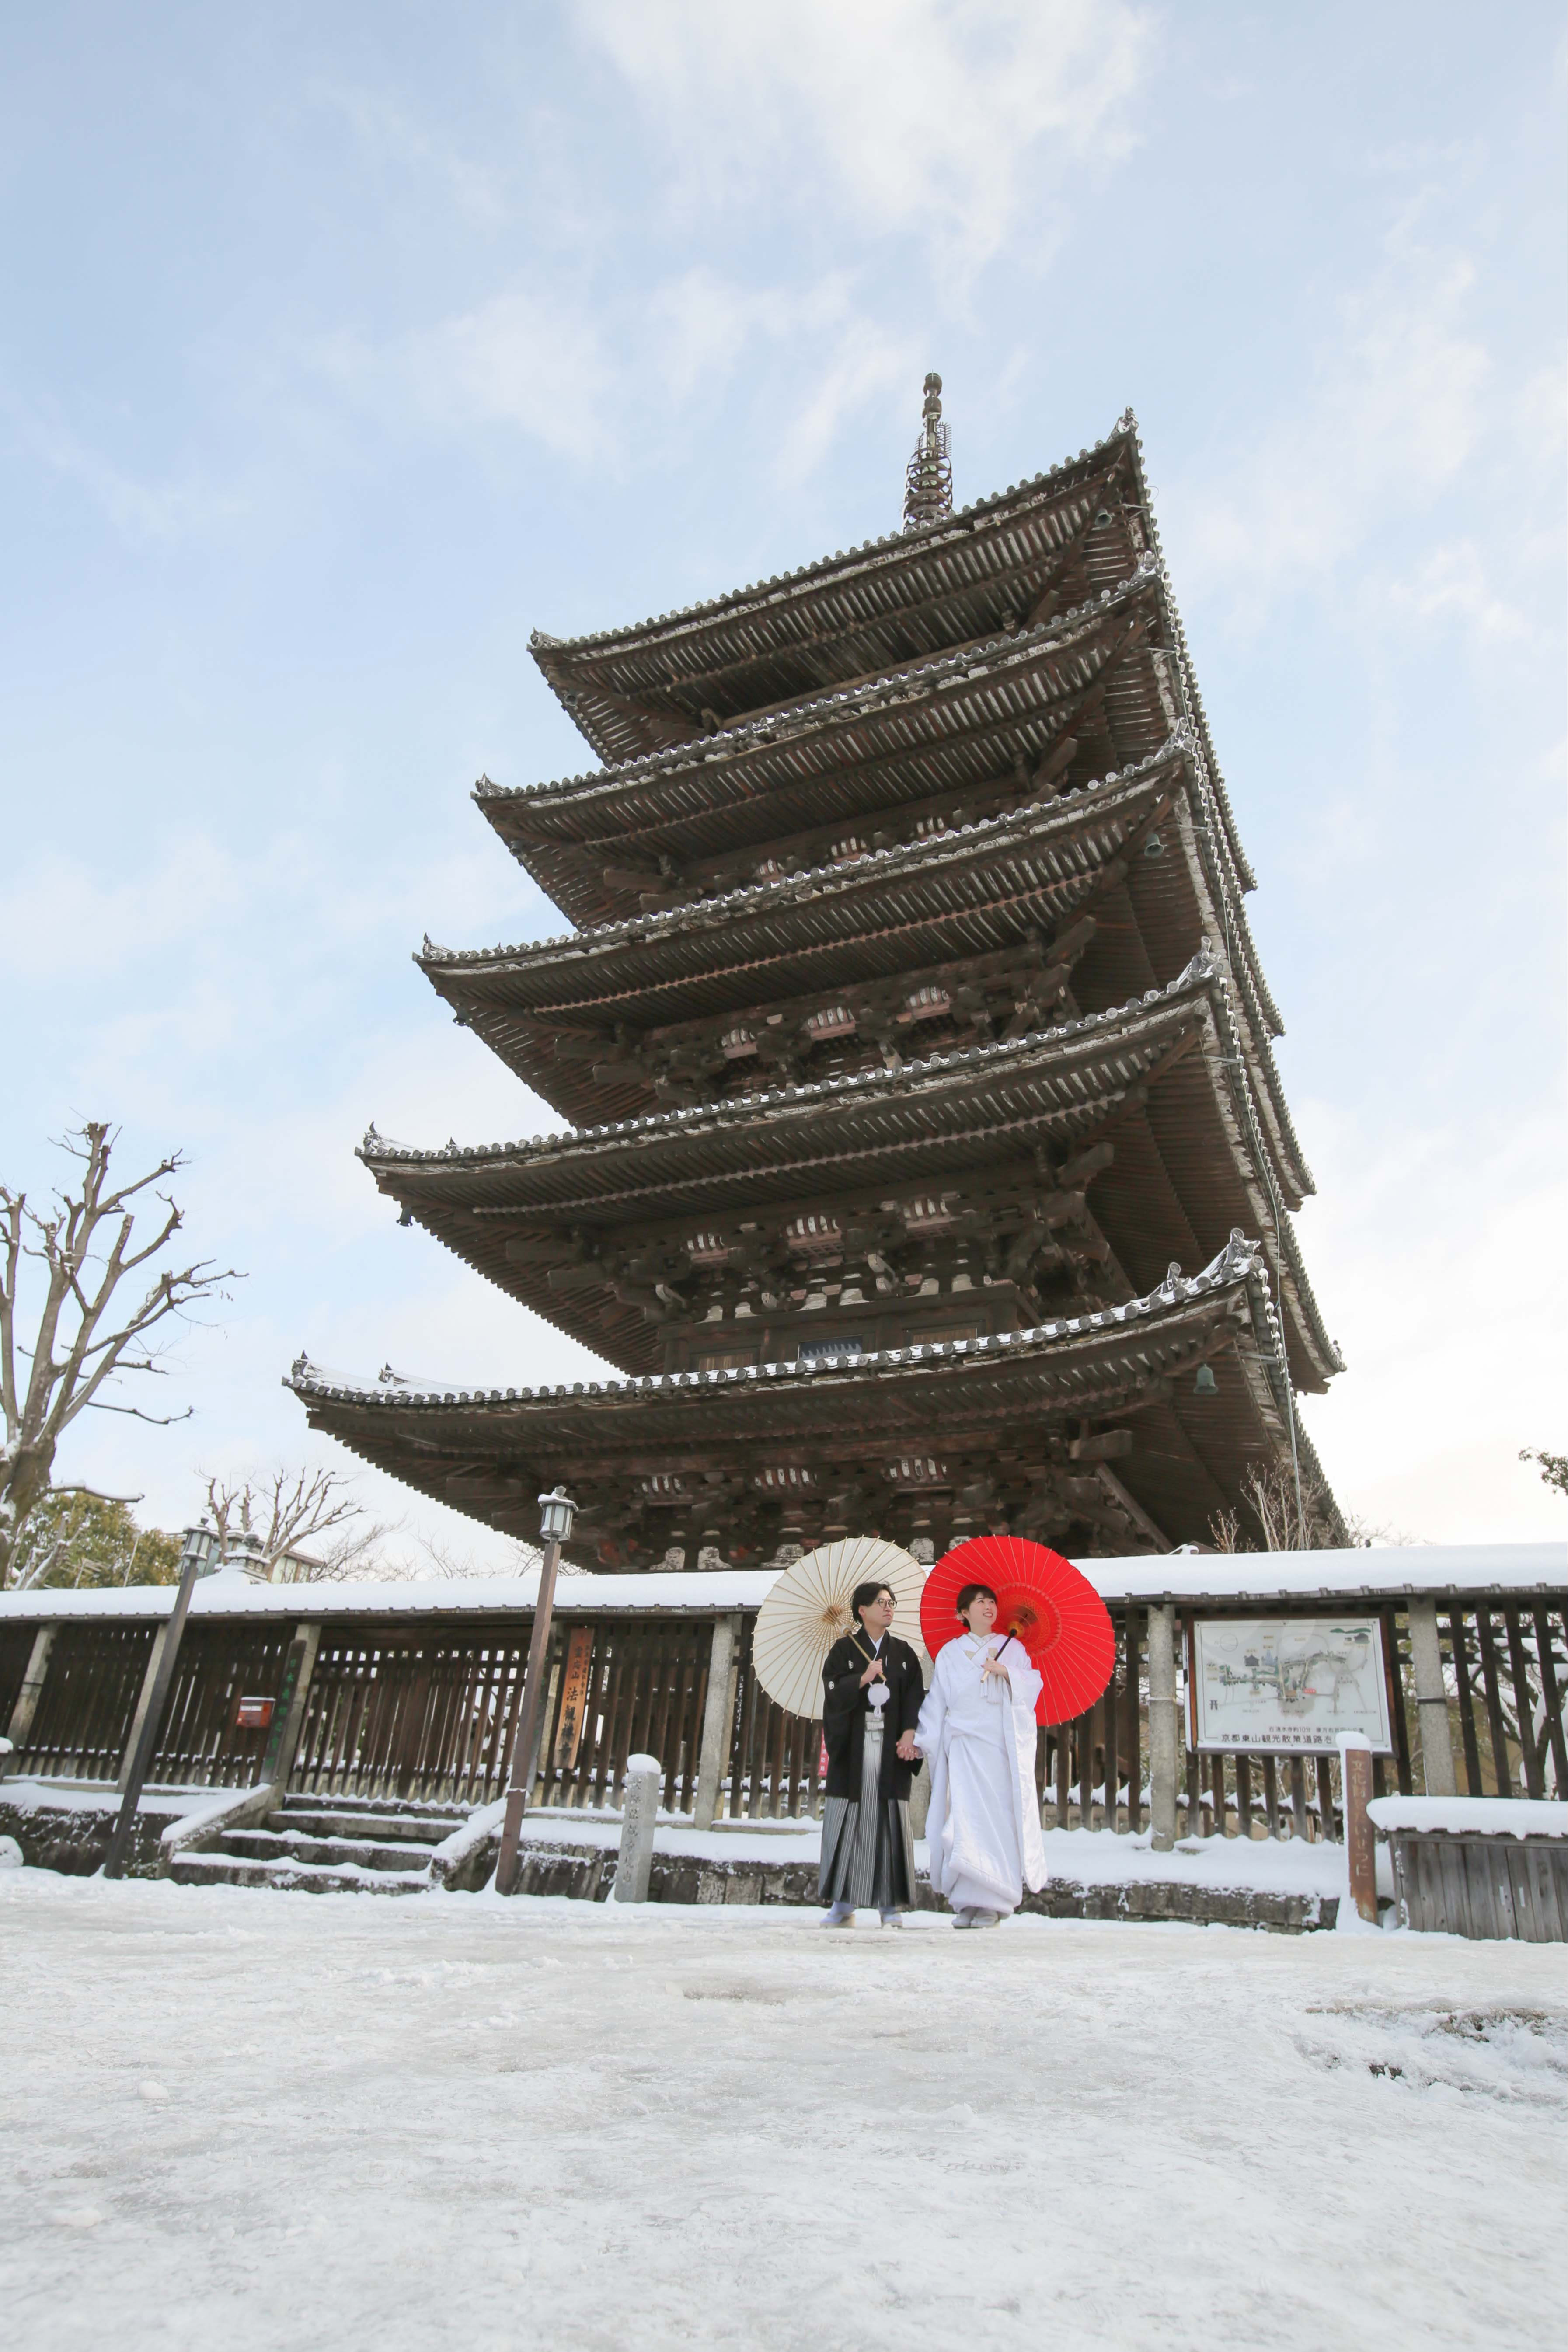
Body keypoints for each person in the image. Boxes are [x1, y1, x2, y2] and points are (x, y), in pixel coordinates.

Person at [913, 1581, 1046, 1929]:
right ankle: (966, 1901)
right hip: (962, 1748)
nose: (988, 1607)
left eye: (992, 1602)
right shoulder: (949, 1653)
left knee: (996, 1821)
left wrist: (1008, 1673)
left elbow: (1033, 1684)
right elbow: (937, 1701)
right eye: (980, 1602)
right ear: (963, 1612)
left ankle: (993, 1901)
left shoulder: (1012, 1649)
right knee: (962, 1820)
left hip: (997, 1747)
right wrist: (922, 1738)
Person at [818, 1580, 924, 1928]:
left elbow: (915, 1697)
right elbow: (833, 1692)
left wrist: (910, 1732)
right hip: (855, 1747)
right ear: (862, 1610)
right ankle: (842, 1903)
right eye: (881, 1602)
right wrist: (862, 1678)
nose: (888, 1607)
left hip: (891, 1748)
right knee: (848, 1821)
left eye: (891, 1602)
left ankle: (889, 1905)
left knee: (889, 1823)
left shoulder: (904, 1654)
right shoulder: (843, 1650)